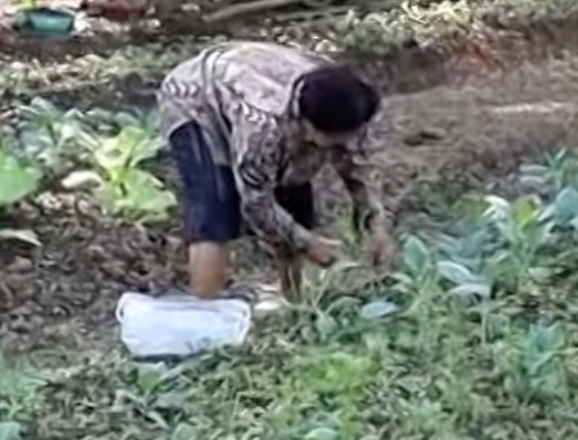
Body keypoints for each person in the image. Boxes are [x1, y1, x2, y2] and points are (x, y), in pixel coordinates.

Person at [156, 41, 397, 302]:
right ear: (307, 126)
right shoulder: (262, 126)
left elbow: (358, 170)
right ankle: (207, 311)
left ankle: (295, 300)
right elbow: (257, 203)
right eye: (336, 141)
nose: (347, 146)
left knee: (295, 190)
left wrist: (377, 226)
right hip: (195, 100)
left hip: (252, 87)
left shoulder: (352, 104)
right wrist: (308, 243)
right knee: (216, 205)